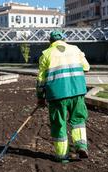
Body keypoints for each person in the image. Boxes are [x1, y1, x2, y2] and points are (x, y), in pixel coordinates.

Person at [36, 30, 90, 163]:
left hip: (57, 95)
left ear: (50, 41)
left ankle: (62, 156)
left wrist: (40, 98)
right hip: (77, 91)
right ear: (64, 39)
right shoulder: (75, 49)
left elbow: (41, 81)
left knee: (59, 124)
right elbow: (86, 67)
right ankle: (81, 145)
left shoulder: (46, 54)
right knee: (78, 120)